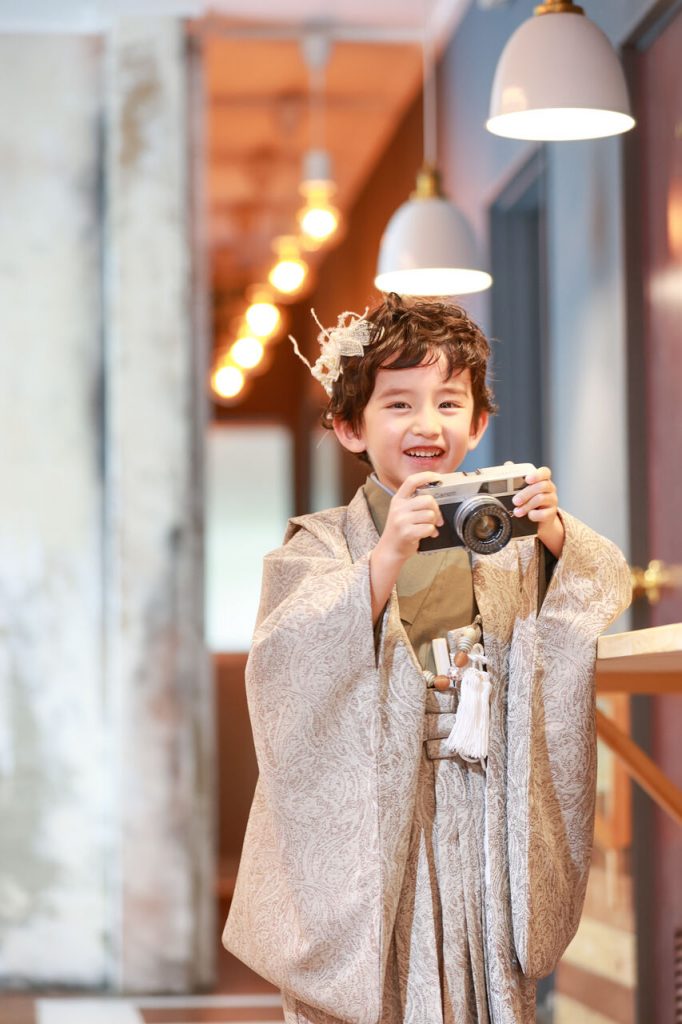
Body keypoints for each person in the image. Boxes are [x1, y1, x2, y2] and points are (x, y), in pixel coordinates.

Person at [223, 294, 631, 1024]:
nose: (427, 424)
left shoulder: (505, 534)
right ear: (350, 426)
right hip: (382, 823)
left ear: (478, 422)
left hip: (484, 818)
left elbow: (603, 584)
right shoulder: (320, 545)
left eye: (449, 402)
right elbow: (284, 665)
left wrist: (557, 531)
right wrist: (383, 559)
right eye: (399, 404)